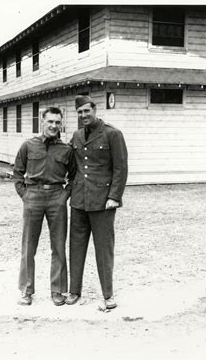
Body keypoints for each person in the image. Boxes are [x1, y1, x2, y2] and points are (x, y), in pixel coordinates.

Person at [66, 95, 128, 310]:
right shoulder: (76, 135)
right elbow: (72, 164)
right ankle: (74, 291)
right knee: (75, 247)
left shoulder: (112, 134)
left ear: (94, 109)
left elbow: (120, 168)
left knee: (104, 249)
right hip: (79, 202)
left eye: (86, 111)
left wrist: (114, 197)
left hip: (103, 203)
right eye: (80, 112)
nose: (83, 115)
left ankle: (108, 295)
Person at [13, 107, 76, 306]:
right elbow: (17, 173)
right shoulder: (28, 146)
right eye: (50, 122)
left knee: (58, 247)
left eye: (57, 122)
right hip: (33, 196)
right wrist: (25, 194)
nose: (53, 126)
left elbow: (74, 177)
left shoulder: (66, 149)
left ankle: (57, 290)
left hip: (57, 197)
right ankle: (26, 290)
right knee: (28, 247)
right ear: (42, 121)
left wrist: (64, 196)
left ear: (61, 124)